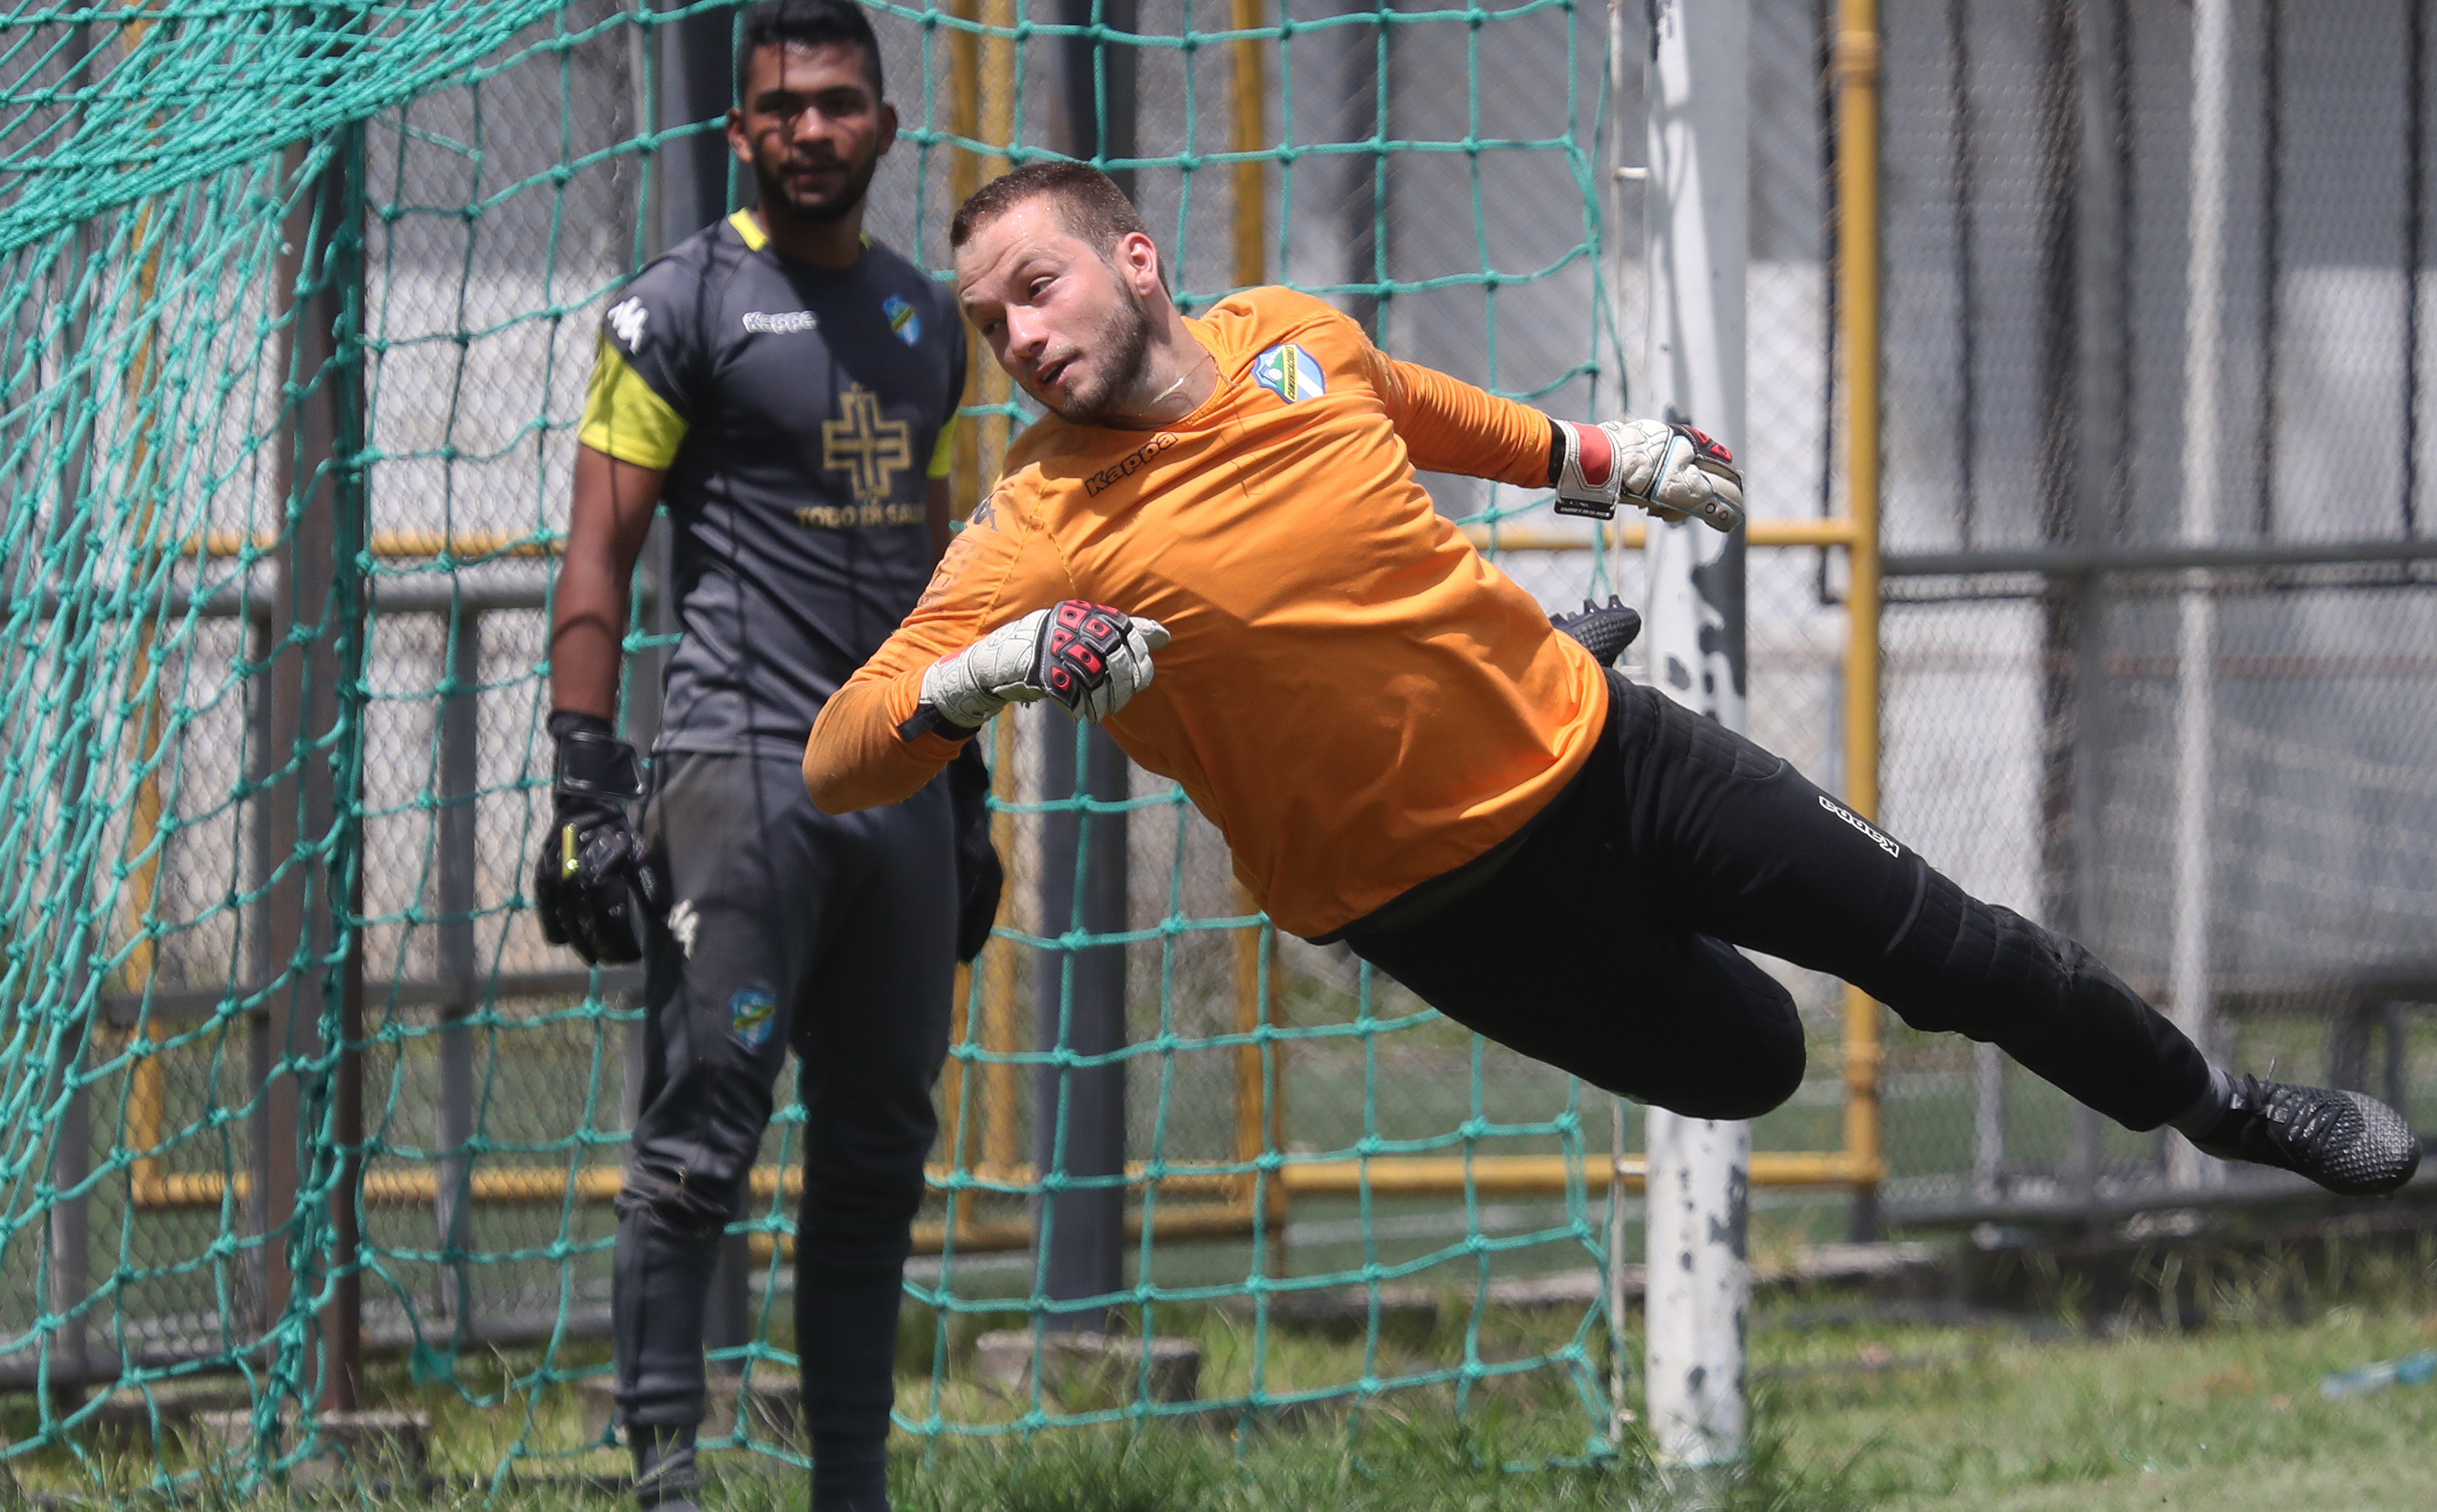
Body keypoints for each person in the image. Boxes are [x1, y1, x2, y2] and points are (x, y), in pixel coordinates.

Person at [806, 158, 2421, 1201]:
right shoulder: (1033, 524)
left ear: (1135, 260)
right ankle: (1484, 684)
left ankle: (2229, 1107)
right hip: (1446, 904)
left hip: (1610, 754)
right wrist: (990, 674)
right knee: (1755, 1066)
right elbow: (838, 755)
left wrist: (1602, 459)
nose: (1017, 335)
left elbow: (1430, 414)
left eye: (1039, 287)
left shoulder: (1294, 335)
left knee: (1952, 951)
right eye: (988, 321)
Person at [533, 0, 989, 1512]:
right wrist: (586, 791)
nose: (810, 130)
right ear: (739, 132)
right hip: (744, 783)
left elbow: (939, 581)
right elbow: (601, 545)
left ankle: (852, 1505)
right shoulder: (674, 308)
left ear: (884, 122)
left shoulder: (930, 318)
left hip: (903, 801)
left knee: (878, 1147)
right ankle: (668, 1500)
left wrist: (969, 795)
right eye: (781, 106)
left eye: (839, 104)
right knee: (699, 1138)